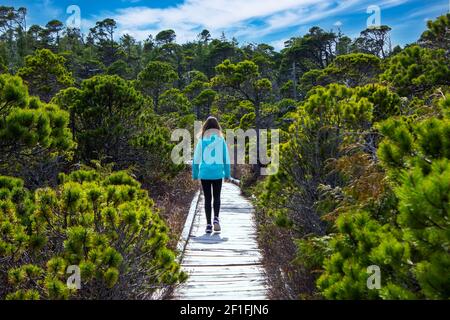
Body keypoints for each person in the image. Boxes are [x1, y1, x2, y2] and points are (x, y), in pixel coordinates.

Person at [193, 117, 231, 234]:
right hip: (217, 173)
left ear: (205, 127)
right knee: (217, 197)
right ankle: (216, 219)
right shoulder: (221, 140)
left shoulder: (202, 141)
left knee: (207, 199)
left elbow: (196, 159)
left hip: (205, 173)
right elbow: (226, 158)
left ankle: (208, 224)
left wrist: (195, 174)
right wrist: (227, 174)